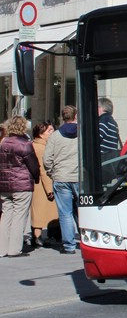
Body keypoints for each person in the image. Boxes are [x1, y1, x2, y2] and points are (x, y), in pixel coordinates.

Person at [0, 116, 40, 257]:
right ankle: (14, 249)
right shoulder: (25, 144)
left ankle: (2, 248)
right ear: (23, 127)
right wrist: (36, 178)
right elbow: (33, 165)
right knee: (19, 216)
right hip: (22, 184)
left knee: (6, 215)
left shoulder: (3, 142)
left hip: (4, 185)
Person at [44, 106, 80, 255]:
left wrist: (52, 172)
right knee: (83, 211)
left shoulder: (55, 136)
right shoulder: (82, 133)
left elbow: (47, 159)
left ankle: (69, 246)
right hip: (78, 177)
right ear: (75, 116)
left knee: (65, 212)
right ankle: (87, 241)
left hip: (61, 177)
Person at [30, 121, 58, 248]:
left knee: (38, 211)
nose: (52, 132)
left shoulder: (35, 144)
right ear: (41, 134)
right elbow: (44, 170)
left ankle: (36, 236)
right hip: (40, 185)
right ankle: (37, 237)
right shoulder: (41, 148)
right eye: (49, 131)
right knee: (40, 212)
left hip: (36, 184)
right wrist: (49, 189)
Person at [97, 97, 121, 162]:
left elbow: (96, 139)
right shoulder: (113, 122)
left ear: (101, 108)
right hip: (111, 158)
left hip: (103, 157)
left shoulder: (103, 121)